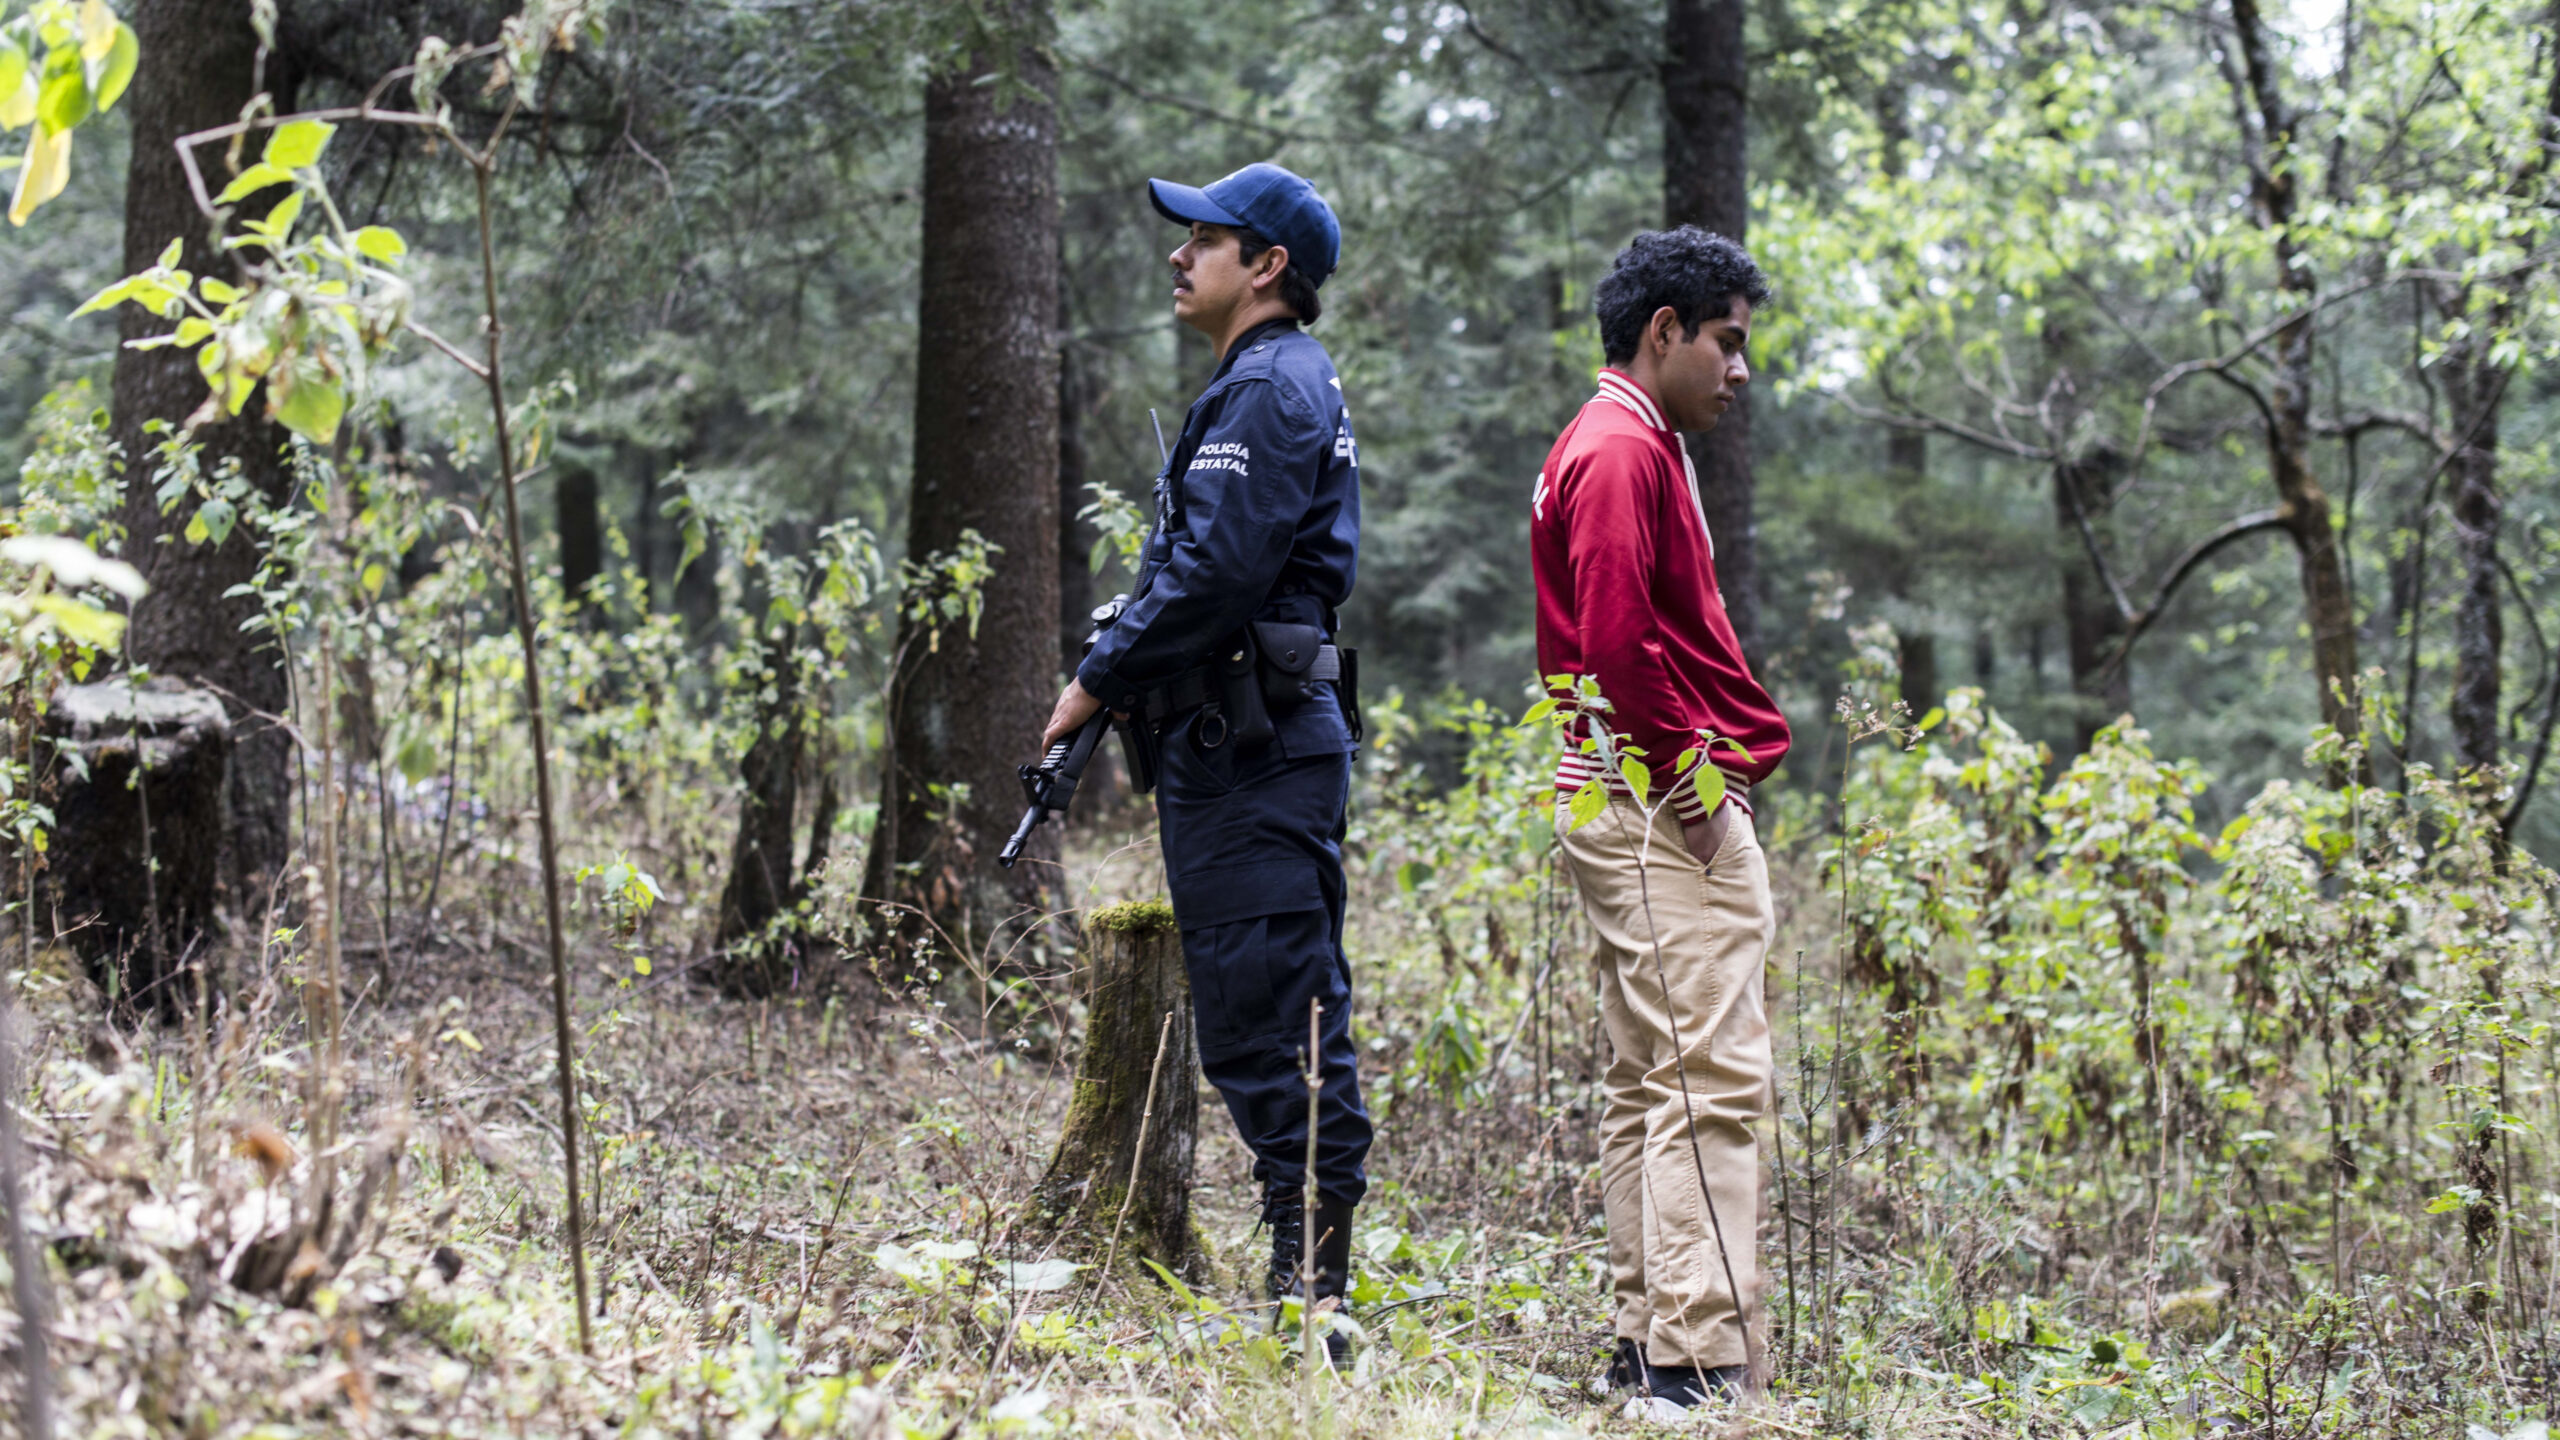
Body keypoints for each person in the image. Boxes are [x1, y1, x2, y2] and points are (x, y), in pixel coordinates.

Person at [1040, 161, 1371, 1357]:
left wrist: (1094, 677)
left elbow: (1215, 575)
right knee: (1254, 1004)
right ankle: (1307, 1286)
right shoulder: (1264, 379)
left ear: (1267, 265)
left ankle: (1315, 1298)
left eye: (1205, 238)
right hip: (1241, 743)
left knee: (1273, 1002)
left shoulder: (1273, 385)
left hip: (1255, 746)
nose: (1179, 255)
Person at [1529, 227, 1790, 1418]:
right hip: (1651, 797)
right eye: (1725, 342)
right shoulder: (1620, 447)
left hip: (1623, 788)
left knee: (1654, 1076)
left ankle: (1650, 1346)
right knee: (1711, 1074)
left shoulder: (1619, 441)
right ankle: (1693, 1368)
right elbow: (1619, 642)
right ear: (1663, 331)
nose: (1739, 369)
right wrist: (1694, 795)